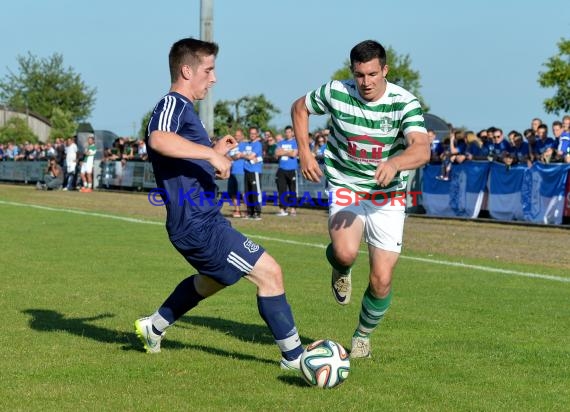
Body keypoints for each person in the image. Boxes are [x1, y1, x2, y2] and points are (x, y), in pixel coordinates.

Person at [134, 37, 304, 371]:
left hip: (200, 220)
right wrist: (210, 153)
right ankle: (295, 359)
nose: (213, 78)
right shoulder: (172, 105)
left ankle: (154, 326)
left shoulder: (186, 112)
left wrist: (214, 152)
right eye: (208, 70)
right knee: (270, 273)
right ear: (187, 70)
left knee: (214, 280)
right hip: (198, 224)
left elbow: (180, 158)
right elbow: (158, 139)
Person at [291, 39, 430, 359]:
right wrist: (305, 152)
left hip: (389, 196)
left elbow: (422, 149)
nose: (365, 82)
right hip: (346, 184)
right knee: (345, 252)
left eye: (372, 74)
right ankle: (340, 269)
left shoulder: (404, 103)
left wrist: (395, 163)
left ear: (385, 70)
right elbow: (300, 107)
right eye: (359, 75)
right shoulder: (337, 92)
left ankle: (362, 336)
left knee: (381, 279)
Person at [275, 125, 299, 216]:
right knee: (282, 190)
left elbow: (294, 154)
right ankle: (282, 208)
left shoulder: (295, 142)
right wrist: (288, 152)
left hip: (292, 169)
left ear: (292, 133)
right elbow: (277, 153)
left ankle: (293, 208)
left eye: (289, 132)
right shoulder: (281, 142)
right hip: (282, 169)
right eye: (286, 132)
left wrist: (283, 152)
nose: (288, 134)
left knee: (292, 189)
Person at [243, 126, 264, 220]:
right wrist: (245, 155)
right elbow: (238, 153)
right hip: (247, 170)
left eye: (254, 133)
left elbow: (251, 156)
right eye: (251, 133)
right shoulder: (247, 144)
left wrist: (243, 155)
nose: (252, 135)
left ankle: (257, 212)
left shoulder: (258, 144)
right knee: (248, 192)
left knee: (256, 192)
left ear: (257, 134)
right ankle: (250, 212)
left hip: (255, 171)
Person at [227, 128, 246, 217]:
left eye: (239, 135)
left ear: (242, 136)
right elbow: (227, 157)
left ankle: (248, 210)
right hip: (231, 171)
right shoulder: (232, 146)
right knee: (232, 192)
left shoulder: (244, 145)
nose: (237, 137)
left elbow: (239, 155)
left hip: (240, 171)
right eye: (236, 135)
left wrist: (233, 157)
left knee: (242, 192)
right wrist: (234, 157)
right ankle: (237, 210)